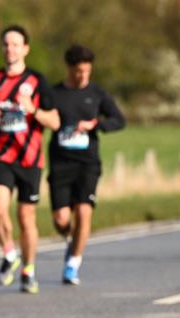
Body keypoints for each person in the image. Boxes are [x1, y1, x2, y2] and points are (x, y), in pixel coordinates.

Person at [0, 25, 59, 294]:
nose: (10, 49)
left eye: (15, 44)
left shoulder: (37, 81)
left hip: (30, 158)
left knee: (26, 217)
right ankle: (10, 254)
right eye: (6, 44)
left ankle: (28, 269)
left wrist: (32, 109)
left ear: (25, 49)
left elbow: (55, 121)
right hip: (1, 155)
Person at [47, 45, 126, 285]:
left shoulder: (97, 93)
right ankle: (71, 239)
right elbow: (42, 117)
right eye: (79, 72)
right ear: (69, 69)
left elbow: (119, 120)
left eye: (87, 71)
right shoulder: (55, 93)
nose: (83, 76)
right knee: (61, 219)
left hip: (87, 163)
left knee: (83, 212)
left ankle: (73, 263)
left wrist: (95, 125)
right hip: (60, 163)